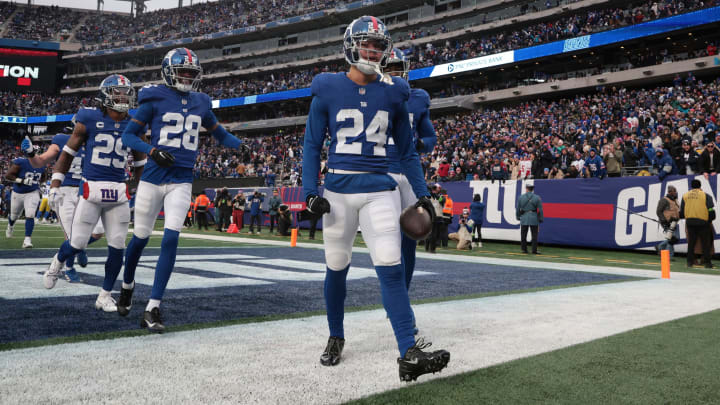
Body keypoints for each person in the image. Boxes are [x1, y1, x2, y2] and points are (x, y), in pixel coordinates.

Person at [302, 15, 449, 382]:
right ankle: (336, 335)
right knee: (337, 265)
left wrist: (422, 193)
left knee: (390, 264)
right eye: (367, 44)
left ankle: (408, 351)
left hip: (380, 189)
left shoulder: (396, 90)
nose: (373, 51)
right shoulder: (327, 87)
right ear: (352, 46)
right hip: (337, 191)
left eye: (379, 46)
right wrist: (309, 192)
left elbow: (410, 152)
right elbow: (311, 145)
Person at [119, 48, 248, 332]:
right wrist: (152, 151)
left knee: (170, 239)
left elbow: (219, 133)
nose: (188, 76)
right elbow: (128, 135)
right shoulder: (153, 97)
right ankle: (127, 284)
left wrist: (240, 145)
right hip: (152, 180)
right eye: (183, 71)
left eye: (192, 72)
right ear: (168, 71)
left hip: (181, 180)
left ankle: (153, 306)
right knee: (140, 238)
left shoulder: (201, 101)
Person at [43, 75, 146, 314]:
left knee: (117, 248)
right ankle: (58, 261)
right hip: (91, 190)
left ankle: (104, 295)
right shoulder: (88, 117)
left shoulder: (136, 122)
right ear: (106, 95)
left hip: (118, 192)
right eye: (118, 92)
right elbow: (67, 153)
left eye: (126, 92)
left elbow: (141, 162)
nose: (124, 97)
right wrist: (56, 184)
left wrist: (140, 190)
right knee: (77, 243)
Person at [384, 47, 437, 296]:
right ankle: (393, 290)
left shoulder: (418, 97)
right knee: (388, 237)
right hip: (384, 171)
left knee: (410, 238)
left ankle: (402, 293)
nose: (394, 72)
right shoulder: (373, 94)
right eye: (389, 67)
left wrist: (421, 144)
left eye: (398, 67)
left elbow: (429, 136)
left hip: (409, 172)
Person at [23, 127, 105, 281]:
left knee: (98, 231)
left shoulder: (94, 141)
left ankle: (79, 248)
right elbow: (40, 161)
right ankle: (69, 268)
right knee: (72, 236)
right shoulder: (61, 139)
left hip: (86, 189)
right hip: (64, 191)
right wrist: (31, 154)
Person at [4, 155, 45, 249]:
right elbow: (8, 176)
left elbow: (44, 176)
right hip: (18, 192)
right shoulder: (21, 162)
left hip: (32, 192)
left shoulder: (42, 164)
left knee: (30, 214)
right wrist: (22, 180)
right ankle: (10, 226)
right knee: (14, 215)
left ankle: (27, 240)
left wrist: (39, 183)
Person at [680, 179, 715, 268]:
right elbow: (710, 209)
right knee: (705, 244)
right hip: (703, 222)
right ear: (700, 186)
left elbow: (682, 212)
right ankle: (707, 263)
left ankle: (689, 262)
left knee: (691, 243)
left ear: (691, 186)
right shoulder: (706, 195)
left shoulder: (685, 196)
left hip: (690, 222)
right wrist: (710, 219)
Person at [516, 180, 543, 254]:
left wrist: (518, 217)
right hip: (534, 218)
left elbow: (518, 208)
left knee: (523, 235)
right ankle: (534, 250)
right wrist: (541, 218)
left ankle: (524, 249)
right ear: (532, 189)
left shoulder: (521, 197)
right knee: (534, 235)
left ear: (527, 189)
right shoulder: (537, 197)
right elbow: (540, 209)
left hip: (524, 218)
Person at [655, 185, 679, 257]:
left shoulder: (675, 200)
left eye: (675, 191)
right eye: (674, 191)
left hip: (674, 222)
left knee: (674, 238)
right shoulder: (664, 200)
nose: (676, 193)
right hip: (667, 222)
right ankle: (669, 255)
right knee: (672, 238)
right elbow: (659, 211)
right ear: (670, 192)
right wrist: (664, 221)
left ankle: (660, 246)